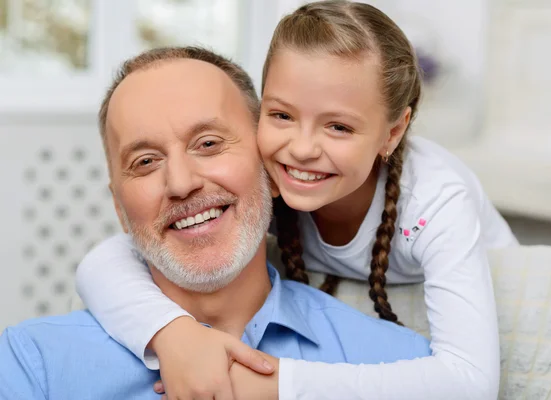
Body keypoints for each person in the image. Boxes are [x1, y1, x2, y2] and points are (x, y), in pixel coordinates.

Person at [76, 1, 518, 399]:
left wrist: (275, 384)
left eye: (338, 127)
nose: (302, 148)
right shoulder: (270, 177)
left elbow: (471, 382)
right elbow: (107, 260)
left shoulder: (436, 202)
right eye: (282, 115)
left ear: (393, 132)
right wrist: (172, 335)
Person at [0, 46, 432, 400]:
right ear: (120, 209)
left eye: (208, 144)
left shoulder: (398, 367)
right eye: (145, 161)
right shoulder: (33, 365)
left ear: (272, 168)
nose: (181, 183)